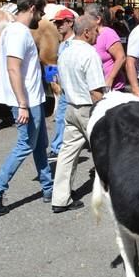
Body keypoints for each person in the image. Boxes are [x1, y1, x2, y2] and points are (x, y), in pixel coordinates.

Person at [0, 0, 53, 216]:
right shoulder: (18, 33)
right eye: (40, 11)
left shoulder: (14, 31)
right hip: (27, 101)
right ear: (32, 8)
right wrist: (22, 103)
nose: (41, 17)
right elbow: (13, 68)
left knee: (40, 145)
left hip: (32, 99)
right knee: (25, 145)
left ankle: (49, 188)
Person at [50, 15, 106, 213]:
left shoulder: (66, 51)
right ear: (87, 32)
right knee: (106, 149)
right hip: (87, 109)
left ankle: (60, 198)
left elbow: (62, 84)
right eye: (96, 31)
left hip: (70, 107)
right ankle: (112, 193)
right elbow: (96, 92)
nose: (98, 34)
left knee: (67, 153)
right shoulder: (90, 54)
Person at [47, 8, 76, 161]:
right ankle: (57, 147)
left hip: (75, 89)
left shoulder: (75, 43)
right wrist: (51, 78)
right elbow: (55, 63)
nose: (58, 25)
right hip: (65, 89)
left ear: (70, 22)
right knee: (60, 117)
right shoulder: (62, 43)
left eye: (60, 22)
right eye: (56, 23)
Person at [84, 3, 127, 91]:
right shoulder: (88, 35)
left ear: (98, 19)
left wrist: (110, 79)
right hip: (96, 88)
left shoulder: (108, 33)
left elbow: (121, 57)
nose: (84, 21)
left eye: (86, 18)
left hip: (112, 89)